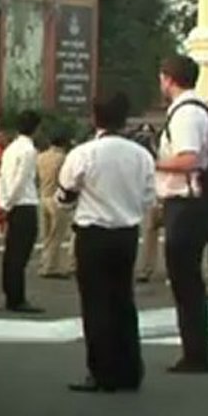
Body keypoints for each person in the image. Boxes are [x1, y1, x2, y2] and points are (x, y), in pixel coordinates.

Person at [58, 91, 155, 392]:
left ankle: (101, 372)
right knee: (123, 301)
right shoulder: (142, 156)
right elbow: (149, 198)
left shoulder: (84, 153)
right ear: (125, 119)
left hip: (93, 233)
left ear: (94, 117)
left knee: (96, 304)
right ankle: (129, 370)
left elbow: (65, 193)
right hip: (126, 234)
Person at [155, 55, 208, 374]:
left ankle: (196, 354)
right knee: (186, 280)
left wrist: (152, 163)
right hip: (190, 203)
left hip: (187, 202)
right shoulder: (192, 110)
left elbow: (189, 159)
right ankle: (195, 350)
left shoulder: (186, 115)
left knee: (186, 281)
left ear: (169, 79)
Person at [0, 110, 42, 312]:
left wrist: (3, 202)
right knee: (20, 255)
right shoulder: (29, 150)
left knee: (11, 253)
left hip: (10, 202)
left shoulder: (10, 149)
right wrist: (10, 203)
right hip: (24, 203)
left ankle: (10, 294)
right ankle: (17, 298)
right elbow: (21, 180)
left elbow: (3, 178)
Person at [37, 134, 74, 278]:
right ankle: (51, 266)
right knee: (56, 235)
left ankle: (44, 262)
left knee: (46, 235)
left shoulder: (41, 157)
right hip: (57, 198)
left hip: (43, 196)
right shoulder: (63, 159)